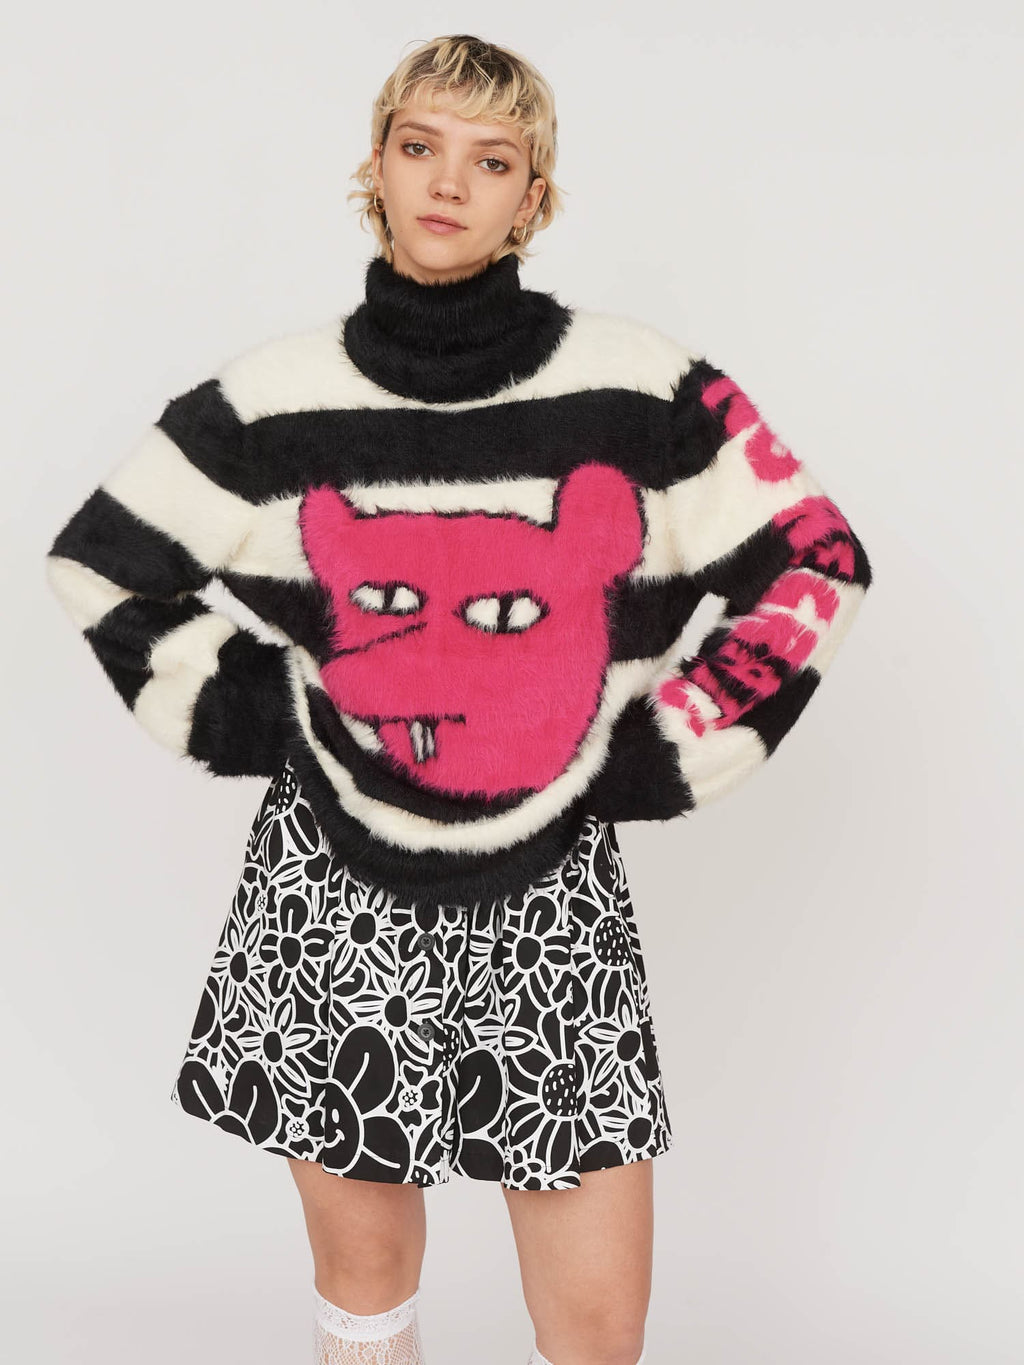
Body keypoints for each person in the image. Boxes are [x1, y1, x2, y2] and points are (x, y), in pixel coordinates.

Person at [44, 32, 873, 1365]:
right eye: (420, 146)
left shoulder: (638, 389)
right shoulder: (270, 401)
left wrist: (665, 749)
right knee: (365, 1292)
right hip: (332, 891)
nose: (448, 183)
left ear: (533, 196)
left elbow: (816, 559)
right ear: (374, 165)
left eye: (492, 161)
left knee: (596, 1328)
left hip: (550, 892)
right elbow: (103, 562)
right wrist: (267, 714)